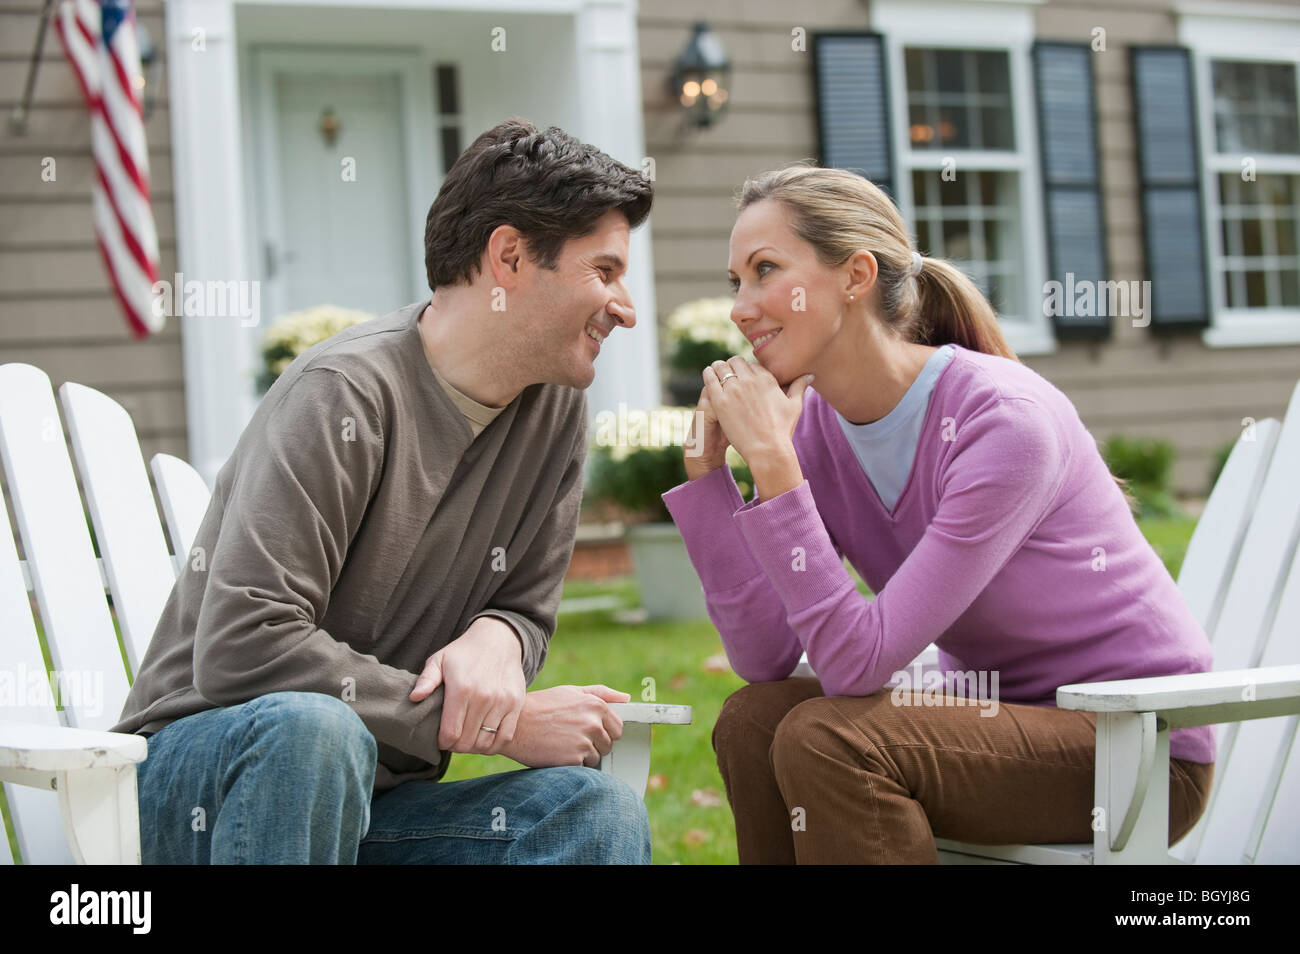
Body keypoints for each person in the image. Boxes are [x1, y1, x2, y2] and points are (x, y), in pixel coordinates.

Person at [112, 118, 656, 864]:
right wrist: (502, 725)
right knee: (315, 734)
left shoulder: (553, 410)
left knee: (594, 814)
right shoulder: (344, 396)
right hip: (203, 788)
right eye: (605, 271)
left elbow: (524, 609)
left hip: (371, 808)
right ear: (510, 256)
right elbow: (243, 646)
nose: (625, 306)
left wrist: (499, 636)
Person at [661, 162, 1216, 864]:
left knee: (831, 741)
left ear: (856, 276)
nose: (741, 307)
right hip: (994, 721)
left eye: (765, 270)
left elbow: (856, 664)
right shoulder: (820, 433)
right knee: (752, 722)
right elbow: (763, 657)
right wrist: (711, 476)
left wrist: (775, 468)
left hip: (1136, 745)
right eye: (735, 280)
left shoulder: (1004, 423)